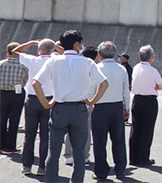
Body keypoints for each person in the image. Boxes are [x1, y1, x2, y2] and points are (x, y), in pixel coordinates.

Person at [33, 30, 109, 183]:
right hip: (79, 109)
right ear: (76, 44)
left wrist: (46, 104)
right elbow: (104, 83)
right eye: (81, 43)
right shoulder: (87, 62)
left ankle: (51, 180)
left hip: (59, 108)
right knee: (79, 153)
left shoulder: (53, 61)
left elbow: (36, 83)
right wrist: (92, 101)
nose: (82, 46)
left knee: (53, 152)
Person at [12, 39, 59, 175]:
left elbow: (14, 52)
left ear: (39, 50)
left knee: (29, 135)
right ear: (53, 50)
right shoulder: (56, 60)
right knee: (46, 135)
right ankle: (42, 167)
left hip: (33, 98)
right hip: (49, 99)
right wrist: (55, 46)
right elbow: (64, 53)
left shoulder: (33, 60)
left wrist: (31, 43)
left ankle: (27, 165)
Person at [91, 41, 130, 180]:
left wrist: (90, 104)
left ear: (99, 54)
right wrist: (127, 108)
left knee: (99, 141)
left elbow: (91, 90)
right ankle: (120, 169)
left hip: (100, 107)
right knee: (118, 140)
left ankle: (101, 171)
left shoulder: (96, 68)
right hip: (117, 106)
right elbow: (126, 91)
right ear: (114, 54)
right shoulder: (121, 69)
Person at [129, 45, 162, 166]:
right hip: (149, 100)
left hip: (137, 99)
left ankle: (133, 157)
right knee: (147, 130)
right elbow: (160, 86)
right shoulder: (153, 70)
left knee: (135, 129)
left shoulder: (135, 68)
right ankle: (144, 157)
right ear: (151, 57)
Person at [63, 46, 97, 166]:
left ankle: (68, 155)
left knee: (69, 129)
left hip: (72, 100)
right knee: (85, 130)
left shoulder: (76, 66)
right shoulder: (94, 68)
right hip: (88, 101)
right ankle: (84, 155)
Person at [0, 42, 29, 154]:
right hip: (17, 94)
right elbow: (26, 80)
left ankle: (1, 144)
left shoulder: (1, 64)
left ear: (7, 51)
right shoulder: (24, 66)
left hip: (2, 93)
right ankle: (10, 146)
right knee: (14, 120)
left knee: (2, 119)